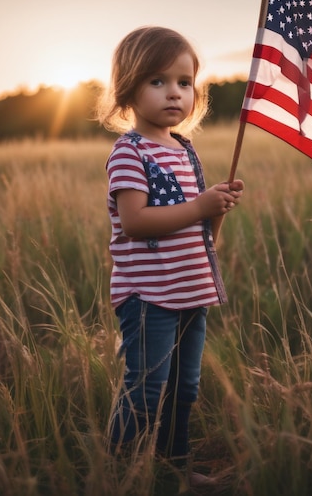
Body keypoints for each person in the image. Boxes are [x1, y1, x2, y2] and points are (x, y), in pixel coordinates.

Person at [97, 26, 244, 478]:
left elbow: (201, 234)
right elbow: (136, 221)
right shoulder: (130, 152)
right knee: (146, 389)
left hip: (191, 290)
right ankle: (119, 473)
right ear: (128, 89)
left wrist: (215, 208)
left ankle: (171, 467)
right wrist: (199, 205)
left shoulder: (185, 150)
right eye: (157, 81)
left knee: (185, 388)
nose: (174, 93)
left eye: (184, 82)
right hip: (149, 296)